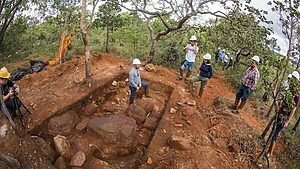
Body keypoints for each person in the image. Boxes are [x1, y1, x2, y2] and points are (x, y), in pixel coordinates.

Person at [267, 71, 300, 158]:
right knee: (273, 129)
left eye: (294, 79)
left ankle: (269, 153)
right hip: (280, 112)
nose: (292, 80)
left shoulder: (297, 95)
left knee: (275, 133)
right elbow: (283, 100)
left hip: (284, 117)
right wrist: (279, 107)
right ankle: (267, 147)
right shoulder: (289, 89)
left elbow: (293, 109)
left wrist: (287, 121)